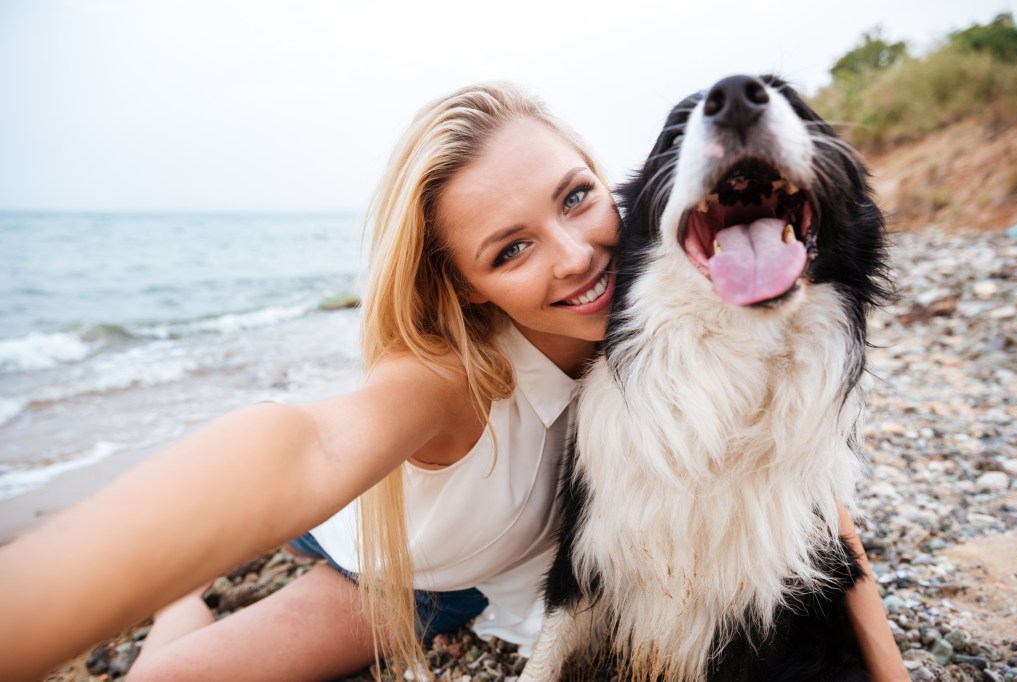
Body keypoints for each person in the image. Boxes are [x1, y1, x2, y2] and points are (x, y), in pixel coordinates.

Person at [0, 82, 908, 682]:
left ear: (612, 184)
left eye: (576, 196)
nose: (574, 257)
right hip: (405, 572)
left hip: (539, 570)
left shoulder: (671, 299)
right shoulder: (452, 378)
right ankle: (180, 598)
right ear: (465, 288)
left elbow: (800, 485)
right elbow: (308, 446)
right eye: (508, 250)